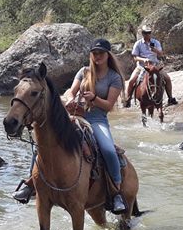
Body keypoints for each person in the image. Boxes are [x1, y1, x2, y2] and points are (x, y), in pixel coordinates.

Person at [13, 38, 128, 213]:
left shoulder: (114, 78)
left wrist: (93, 99)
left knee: (108, 150)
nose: (97, 56)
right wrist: (69, 100)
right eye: (94, 53)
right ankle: (31, 183)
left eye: (101, 53)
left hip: (97, 119)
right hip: (74, 115)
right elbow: (71, 91)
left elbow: (108, 105)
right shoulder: (84, 72)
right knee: (42, 144)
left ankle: (116, 192)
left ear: (107, 55)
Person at [123, 24, 176, 107]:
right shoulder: (138, 44)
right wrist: (143, 60)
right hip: (142, 66)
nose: (147, 34)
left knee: (167, 79)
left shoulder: (156, 42)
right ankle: (128, 99)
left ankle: (170, 98)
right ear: (142, 33)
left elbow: (161, 54)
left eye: (149, 33)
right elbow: (135, 57)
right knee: (131, 81)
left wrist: (154, 50)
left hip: (155, 65)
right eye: (145, 33)